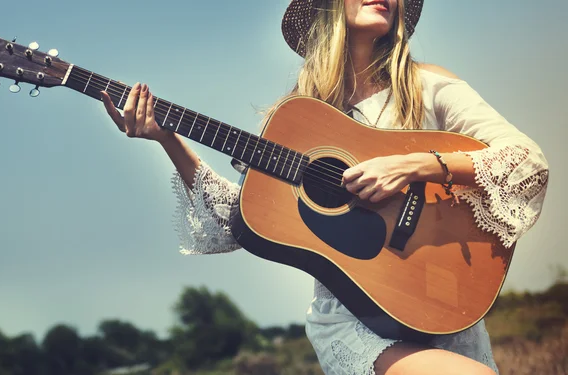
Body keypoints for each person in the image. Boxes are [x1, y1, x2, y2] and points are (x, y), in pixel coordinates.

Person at [100, 0, 549, 373]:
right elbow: (234, 221)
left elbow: (527, 162)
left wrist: (416, 166)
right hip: (353, 322)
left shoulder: (427, 85)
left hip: (435, 301)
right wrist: (167, 138)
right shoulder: (299, 118)